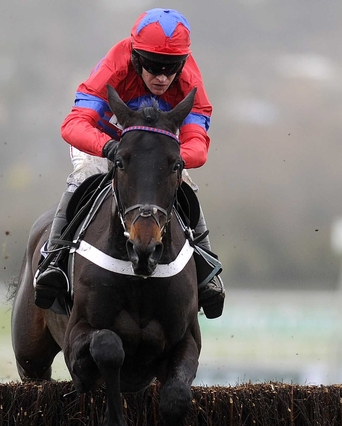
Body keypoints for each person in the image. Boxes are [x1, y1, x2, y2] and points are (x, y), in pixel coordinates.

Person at [34, 8, 225, 318]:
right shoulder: (115, 65)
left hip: (156, 152)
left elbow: (198, 144)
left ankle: (206, 269)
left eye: (171, 68)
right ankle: (53, 259)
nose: (162, 77)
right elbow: (73, 124)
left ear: (183, 63)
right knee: (85, 173)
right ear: (136, 58)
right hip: (106, 141)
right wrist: (108, 147)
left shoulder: (190, 79)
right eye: (153, 67)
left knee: (185, 183)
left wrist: (170, 162)